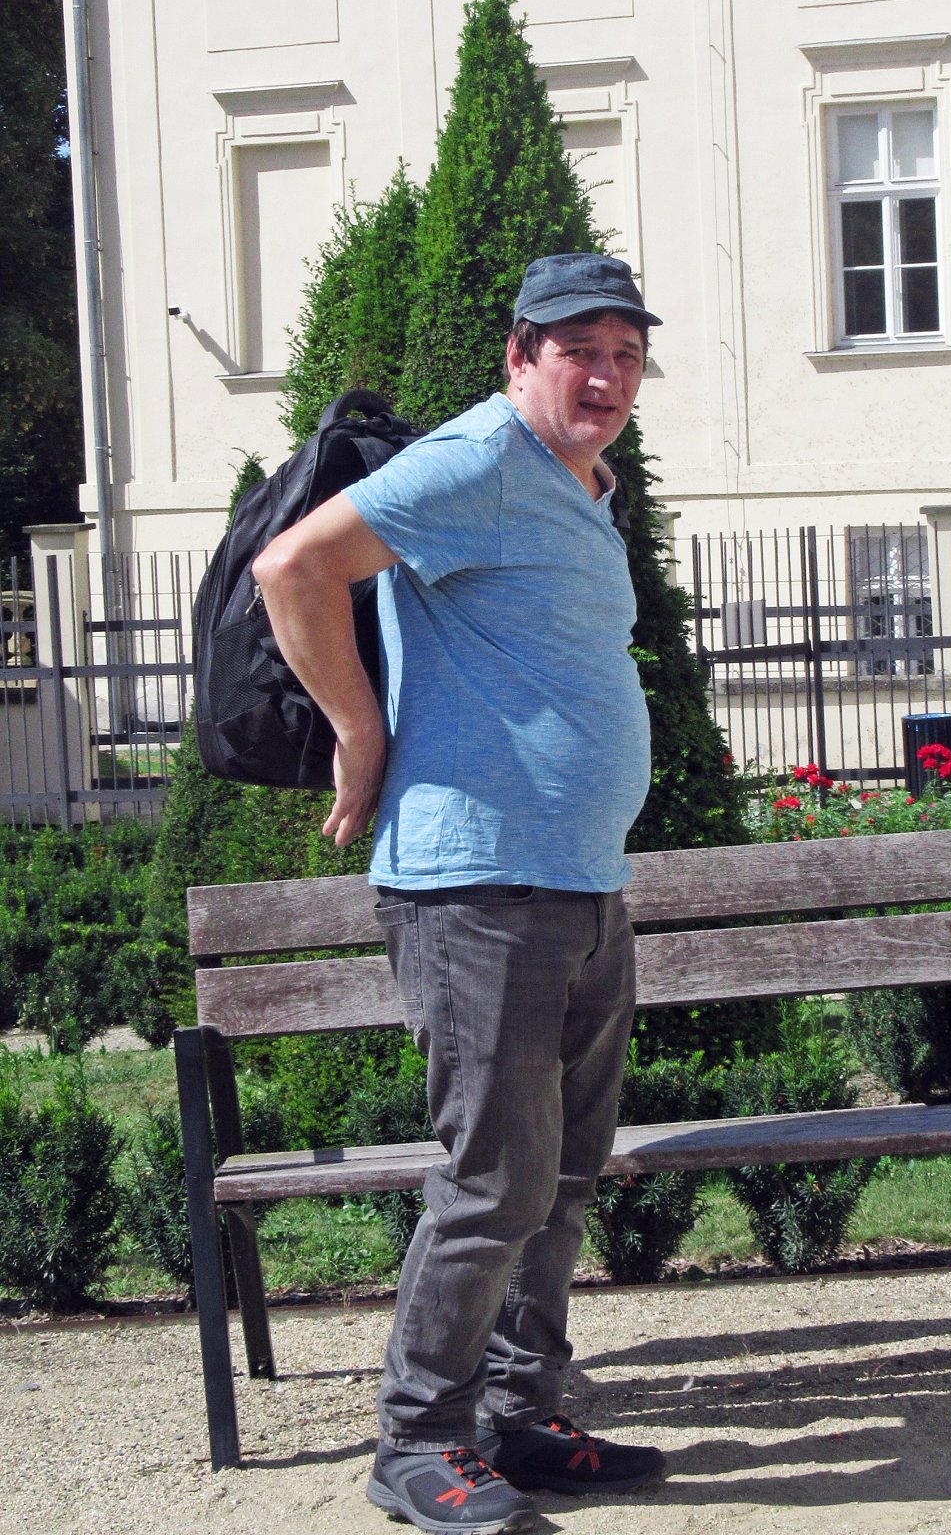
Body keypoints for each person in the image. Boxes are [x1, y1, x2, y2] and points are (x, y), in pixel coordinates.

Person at [252, 253, 667, 1535]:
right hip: (479, 886)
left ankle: (516, 1414)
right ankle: (418, 1442)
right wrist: (359, 728)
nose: (604, 376)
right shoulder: (480, 458)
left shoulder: (579, 482)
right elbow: (294, 567)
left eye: (625, 354)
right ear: (519, 354)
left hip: (579, 883)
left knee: (565, 1174)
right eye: (577, 350)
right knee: (495, 1180)